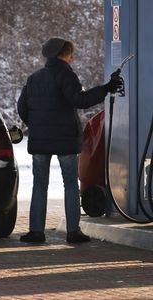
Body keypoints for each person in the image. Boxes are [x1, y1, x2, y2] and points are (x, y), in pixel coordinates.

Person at [17, 37, 122, 243]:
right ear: (63, 54)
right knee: (70, 184)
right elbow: (80, 100)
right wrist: (106, 88)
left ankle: (36, 231)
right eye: (71, 53)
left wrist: (37, 125)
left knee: (39, 185)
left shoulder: (34, 78)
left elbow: (22, 108)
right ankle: (73, 232)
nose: (73, 57)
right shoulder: (65, 74)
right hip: (65, 139)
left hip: (40, 141)